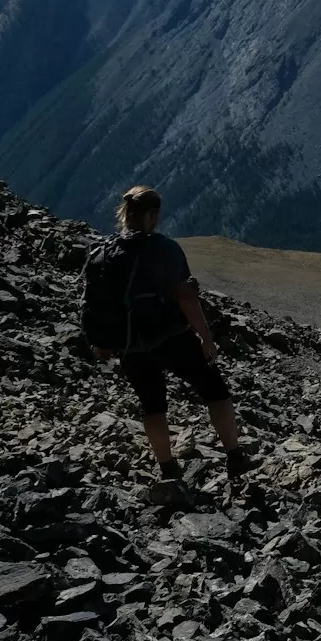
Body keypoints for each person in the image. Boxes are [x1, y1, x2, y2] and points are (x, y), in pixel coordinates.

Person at [90, 186, 249, 492]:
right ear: (151, 215)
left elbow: (97, 303)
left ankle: (167, 469)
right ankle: (234, 455)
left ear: (126, 213)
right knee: (214, 388)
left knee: (152, 404)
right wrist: (205, 337)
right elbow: (187, 298)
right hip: (171, 337)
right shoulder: (164, 249)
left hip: (130, 344)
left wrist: (102, 341)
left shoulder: (105, 252)